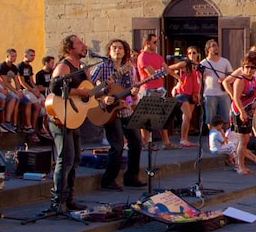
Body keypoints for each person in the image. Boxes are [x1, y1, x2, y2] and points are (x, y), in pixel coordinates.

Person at [46, 34, 92, 213]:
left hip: (74, 116)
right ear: (69, 48)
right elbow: (55, 88)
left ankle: (69, 198)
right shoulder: (64, 66)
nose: (84, 45)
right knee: (65, 159)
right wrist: (78, 91)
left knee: (75, 159)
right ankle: (57, 201)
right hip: (61, 116)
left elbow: (87, 92)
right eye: (79, 43)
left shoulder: (80, 67)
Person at [90, 39, 141, 190]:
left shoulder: (129, 68)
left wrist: (131, 95)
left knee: (137, 142)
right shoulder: (102, 67)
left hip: (124, 109)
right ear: (109, 50)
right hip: (108, 111)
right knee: (117, 146)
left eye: (120, 48)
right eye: (114, 48)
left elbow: (128, 89)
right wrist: (102, 97)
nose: (117, 50)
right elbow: (88, 88)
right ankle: (108, 180)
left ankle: (131, 176)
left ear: (125, 51)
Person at [227, 51, 256, 174]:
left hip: (249, 110)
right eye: (247, 67)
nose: (249, 70)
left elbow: (255, 94)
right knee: (243, 139)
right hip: (240, 110)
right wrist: (241, 112)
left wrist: (253, 108)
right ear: (243, 67)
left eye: (253, 67)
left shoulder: (253, 79)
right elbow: (236, 97)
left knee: (245, 139)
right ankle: (239, 165)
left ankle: (241, 164)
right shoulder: (240, 80)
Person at [137, 33, 174, 148]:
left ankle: (166, 142)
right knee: (146, 117)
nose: (156, 44)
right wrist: (161, 72)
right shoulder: (142, 56)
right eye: (154, 42)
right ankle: (146, 142)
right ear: (147, 43)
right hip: (148, 89)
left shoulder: (157, 56)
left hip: (159, 89)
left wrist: (162, 72)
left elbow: (166, 69)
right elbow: (152, 73)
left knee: (161, 116)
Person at [169, 46, 201, 148]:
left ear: (197, 54)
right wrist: (178, 78)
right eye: (190, 53)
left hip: (193, 94)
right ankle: (183, 139)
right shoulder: (185, 64)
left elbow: (199, 81)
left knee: (187, 117)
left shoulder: (199, 66)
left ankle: (185, 138)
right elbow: (169, 68)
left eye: (194, 53)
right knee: (188, 116)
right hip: (183, 92)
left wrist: (198, 93)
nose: (192, 55)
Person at [200, 39, 233, 129]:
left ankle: (226, 138)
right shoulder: (203, 63)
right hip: (209, 94)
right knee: (210, 119)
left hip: (223, 93)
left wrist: (225, 79)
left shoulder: (224, 61)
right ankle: (213, 138)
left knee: (226, 118)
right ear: (208, 49)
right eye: (213, 46)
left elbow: (232, 75)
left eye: (217, 45)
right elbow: (200, 79)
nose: (216, 48)